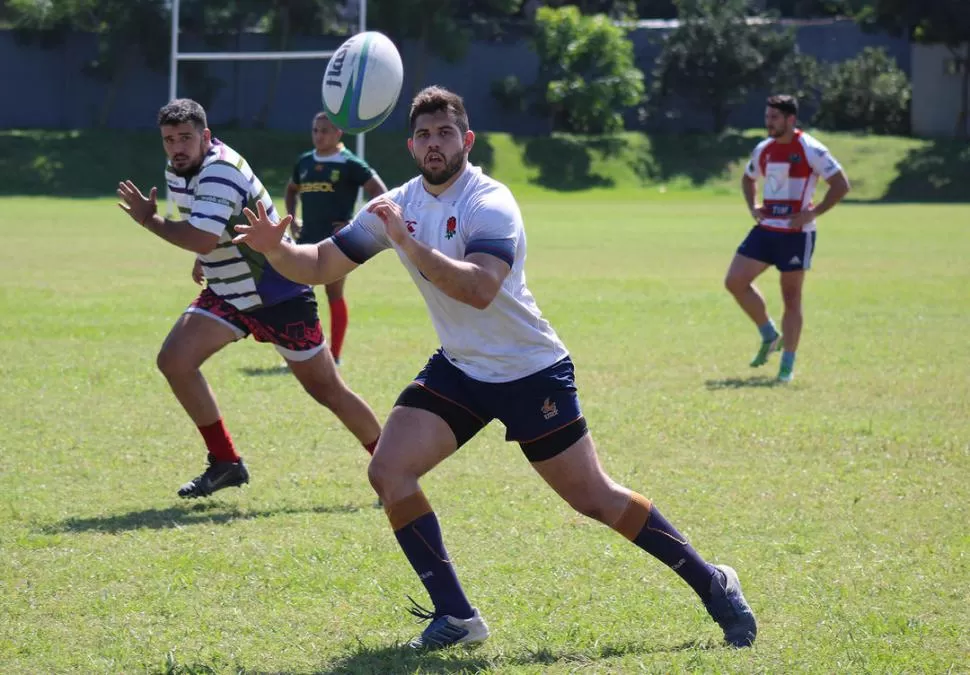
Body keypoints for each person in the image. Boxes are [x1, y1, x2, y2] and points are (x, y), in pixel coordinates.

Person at [233, 86, 758, 650]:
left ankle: (711, 581)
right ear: (411, 145)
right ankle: (456, 616)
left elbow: (480, 288)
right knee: (389, 471)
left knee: (594, 498)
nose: (435, 144)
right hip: (461, 368)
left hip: (529, 370)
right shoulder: (399, 204)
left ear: (467, 139)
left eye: (446, 133)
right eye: (425, 136)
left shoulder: (490, 202)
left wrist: (407, 244)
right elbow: (319, 262)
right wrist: (275, 250)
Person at [116, 98, 382, 499]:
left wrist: (153, 221)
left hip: (279, 291)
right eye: (169, 139)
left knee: (326, 389)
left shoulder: (220, 169)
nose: (177, 147)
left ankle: (389, 464)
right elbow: (207, 229)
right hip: (229, 292)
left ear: (205, 136)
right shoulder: (178, 169)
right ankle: (225, 463)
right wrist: (202, 257)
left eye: (186, 138)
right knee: (175, 360)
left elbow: (203, 233)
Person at [725, 95, 851, 383]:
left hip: (796, 235)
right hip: (767, 228)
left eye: (774, 118)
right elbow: (748, 178)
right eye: (767, 117)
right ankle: (769, 334)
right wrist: (753, 207)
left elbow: (841, 184)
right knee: (734, 281)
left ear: (790, 120)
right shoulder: (764, 149)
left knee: (791, 298)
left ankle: (787, 366)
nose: (768, 122)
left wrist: (813, 212)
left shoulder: (811, 149)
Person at [284, 112, 388, 365]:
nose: (319, 135)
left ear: (339, 133)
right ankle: (301, 353)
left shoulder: (349, 163)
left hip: (337, 243)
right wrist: (291, 218)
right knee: (295, 295)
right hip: (306, 240)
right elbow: (290, 190)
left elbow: (380, 192)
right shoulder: (305, 161)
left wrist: (354, 224)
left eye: (325, 130)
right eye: (316, 130)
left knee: (334, 294)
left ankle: (335, 356)